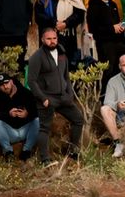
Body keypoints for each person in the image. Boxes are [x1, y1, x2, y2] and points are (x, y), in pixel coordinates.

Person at [28, 26, 84, 163]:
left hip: (63, 97)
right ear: (42, 40)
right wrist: (43, 98)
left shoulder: (62, 53)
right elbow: (31, 81)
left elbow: (66, 76)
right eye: (48, 39)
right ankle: (45, 159)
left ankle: (73, 152)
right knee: (44, 128)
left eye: (54, 38)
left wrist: (70, 94)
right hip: (47, 98)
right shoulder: (37, 57)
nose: (52, 41)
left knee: (78, 119)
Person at [0, 73, 38, 161]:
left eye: (6, 83)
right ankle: (8, 152)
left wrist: (27, 113)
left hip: (25, 130)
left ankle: (27, 150)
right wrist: (8, 114)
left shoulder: (25, 92)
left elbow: (37, 109)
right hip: (10, 133)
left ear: (11, 82)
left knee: (37, 121)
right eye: (1, 85)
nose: (5, 86)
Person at [87, 0, 125, 86]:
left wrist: (120, 28)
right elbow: (93, 27)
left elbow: (116, 22)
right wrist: (111, 28)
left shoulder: (113, 4)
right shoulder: (94, 5)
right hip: (104, 43)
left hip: (118, 41)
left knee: (121, 68)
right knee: (107, 71)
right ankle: (104, 97)